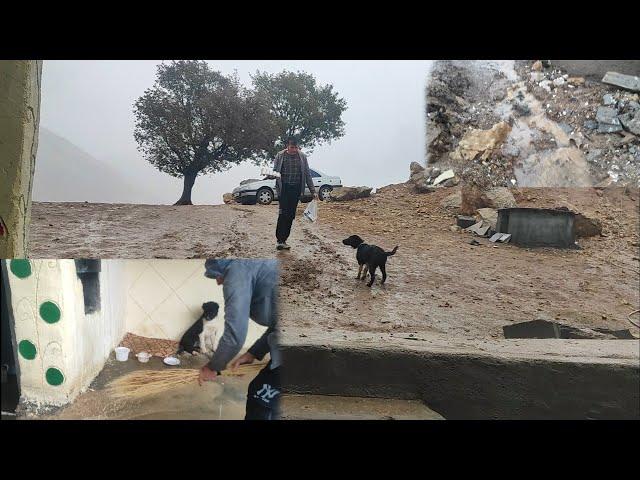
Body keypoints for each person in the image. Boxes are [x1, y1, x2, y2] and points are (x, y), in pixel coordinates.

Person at [198, 259, 281, 420]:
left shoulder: (237, 269)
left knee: (263, 401)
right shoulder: (257, 265)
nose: (217, 282)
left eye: (217, 275)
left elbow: (235, 336)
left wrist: (212, 367)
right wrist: (253, 353)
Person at [271, 137, 316, 251]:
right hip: (284, 188)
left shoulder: (302, 157)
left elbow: (307, 174)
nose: (294, 150)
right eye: (292, 147)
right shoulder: (280, 156)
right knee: (283, 214)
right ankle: (279, 240)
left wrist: (313, 191)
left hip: (296, 189)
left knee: (291, 215)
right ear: (287, 146)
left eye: (296, 147)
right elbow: (275, 172)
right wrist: (269, 175)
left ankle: (284, 240)